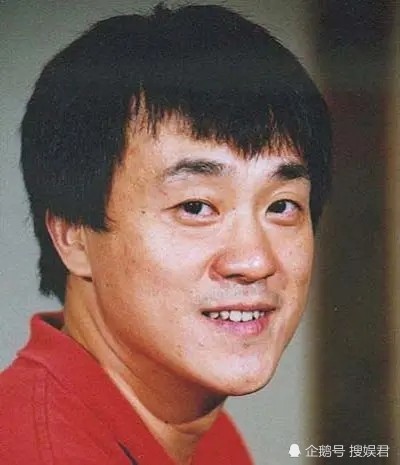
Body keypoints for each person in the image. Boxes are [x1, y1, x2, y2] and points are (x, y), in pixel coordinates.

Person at [0, 3, 331, 464]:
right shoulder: (38, 450)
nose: (256, 261)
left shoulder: (196, 427)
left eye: (281, 206)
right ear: (74, 235)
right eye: (195, 207)